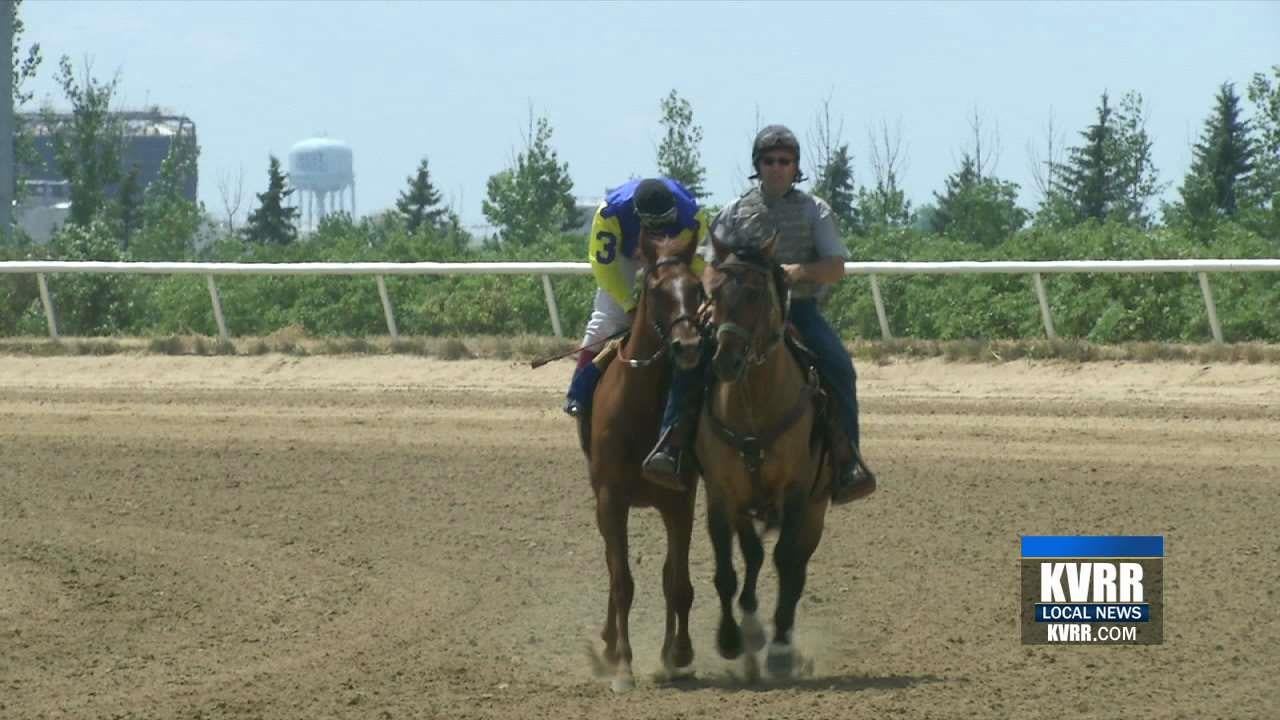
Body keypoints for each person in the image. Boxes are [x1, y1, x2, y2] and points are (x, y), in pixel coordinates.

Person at [647, 124, 876, 504]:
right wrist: (711, 294)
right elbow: (709, 264)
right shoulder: (734, 212)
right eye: (769, 161)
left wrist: (798, 272)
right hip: (737, 311)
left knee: (839, 365)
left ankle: (846, 459)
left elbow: (835, 267)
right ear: (758, 165)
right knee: (690, 359)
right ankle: (671, 445)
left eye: (785, 161)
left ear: (796, 166)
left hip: (798, 309)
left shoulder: (814, 211)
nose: (777, 167)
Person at [563, 177, 709, 489]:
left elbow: (698, 263)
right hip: (625, 259)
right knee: (604, 321)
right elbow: (604, 268)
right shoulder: (610, 213)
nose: (659, 230)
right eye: (651, 225)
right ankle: (580, 388)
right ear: (638, 216)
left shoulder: (692, 214)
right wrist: (630, 306)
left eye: (664, 223)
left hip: (674, 259)